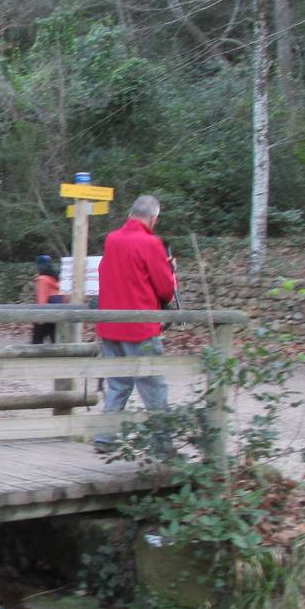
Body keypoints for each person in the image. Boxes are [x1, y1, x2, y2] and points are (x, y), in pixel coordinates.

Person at [92, 194, 177, 454]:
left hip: (110, 326)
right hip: (140, 328)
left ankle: (105, 438)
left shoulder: (112, 239)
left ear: (130, 214)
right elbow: (165, 289)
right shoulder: (151, 243)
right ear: (154, 218)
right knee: (153, 386)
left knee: (118, 383)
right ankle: (163, 445)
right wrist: (171, 271)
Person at [31, 255, 65, 344]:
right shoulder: (57, 278)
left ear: (38, 266)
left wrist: (40, 317)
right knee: (56, 340)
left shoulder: (41, 280)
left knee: (36, 342)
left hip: (46, 314)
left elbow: (42, 298)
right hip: (58, 313)